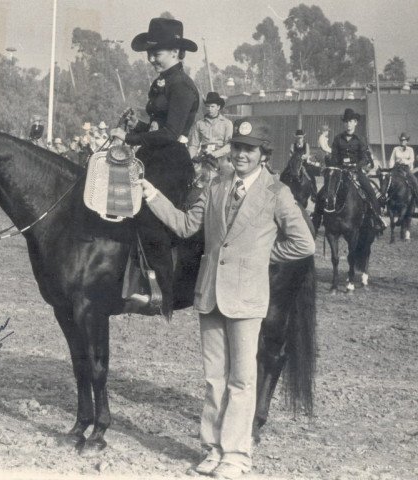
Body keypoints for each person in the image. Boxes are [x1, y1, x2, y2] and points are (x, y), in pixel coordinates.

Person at [139, 117, 315, 479]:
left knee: (242, 380)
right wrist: (151, 195)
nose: (240, 154)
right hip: (210, 294)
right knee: (214, 379)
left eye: (249, 150)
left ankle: (236, 455)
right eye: (236, 147)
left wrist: (263, 256)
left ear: (263, 156)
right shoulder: (216, 186)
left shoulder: (276, 193)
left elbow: (303, 243)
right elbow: (187, 225)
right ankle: (212, 448)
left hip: (248, 297)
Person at [110, 17, 200, 316]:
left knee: (149, 215)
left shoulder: (183, 86)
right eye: (150, 52)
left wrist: (130, 135)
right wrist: (140, 125)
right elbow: (158, 126)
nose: (151, 57)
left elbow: (171, 134)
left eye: (156, 52)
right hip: (152, 156)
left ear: (175, 51)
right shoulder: (163, 81)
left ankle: (161, 290)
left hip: (173, 163)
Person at [313, 108, 387, 232]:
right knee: (323, 193)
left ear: (355, 122)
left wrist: (355, 166)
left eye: (351, 121)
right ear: (344, 123)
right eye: (346, 121)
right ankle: (316, 219)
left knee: (370, 191)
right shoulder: (338, 138)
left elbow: (364, 159)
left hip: (356, 173)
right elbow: (335, 156)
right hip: (340, 172)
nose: (348, 124)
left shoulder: (360, 139)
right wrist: (333, 163)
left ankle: (377, 218)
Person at [188, 91, 233, 179]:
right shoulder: (199, 123)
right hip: (203, 157)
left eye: (212, 106)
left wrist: (214, 154)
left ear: (218, 107)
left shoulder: (227, 123)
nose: (209, 109)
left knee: (228, 176)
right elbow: (193, 144)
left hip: (220, 157)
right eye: (207, 106)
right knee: (194, 177)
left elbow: (229, 145)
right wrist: (191, 160)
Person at [389, 132, 418, 198]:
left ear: (407, 141)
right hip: (397, 168)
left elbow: (412, 159)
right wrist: (391, 168)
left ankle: (416, 199)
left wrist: (404, 161)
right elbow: (392, 159)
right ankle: (386, 198)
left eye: (404, 140)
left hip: (406, 168)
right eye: (401, 140)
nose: (402, 142)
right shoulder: (396, 149)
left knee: (415, 181)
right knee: (388, 181)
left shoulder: (410, 149)